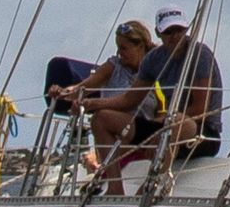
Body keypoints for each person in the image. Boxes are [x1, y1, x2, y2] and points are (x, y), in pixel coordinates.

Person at [88, 5, 224, 191]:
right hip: (166, 125)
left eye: (178, 30)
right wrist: (94, 104)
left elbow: (200, 109)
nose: (174, 36)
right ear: (158, 33)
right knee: (101, 118)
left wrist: (161, 126)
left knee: (174, 120)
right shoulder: (153, 59)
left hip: (201, 132)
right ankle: (114, 187)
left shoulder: (200, 55)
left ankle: (152, 185)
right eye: (168, 32)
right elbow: (130, 99)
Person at [46, 20, 155, 170]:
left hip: (144, 131)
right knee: (101, 118)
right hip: (114, 135)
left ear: (140, 46)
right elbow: (83, 88)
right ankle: (106, 169)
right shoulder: (113, 66)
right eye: (118, 48)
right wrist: (63, 93)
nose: (119, 53)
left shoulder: (157, 67)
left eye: (124, 48)